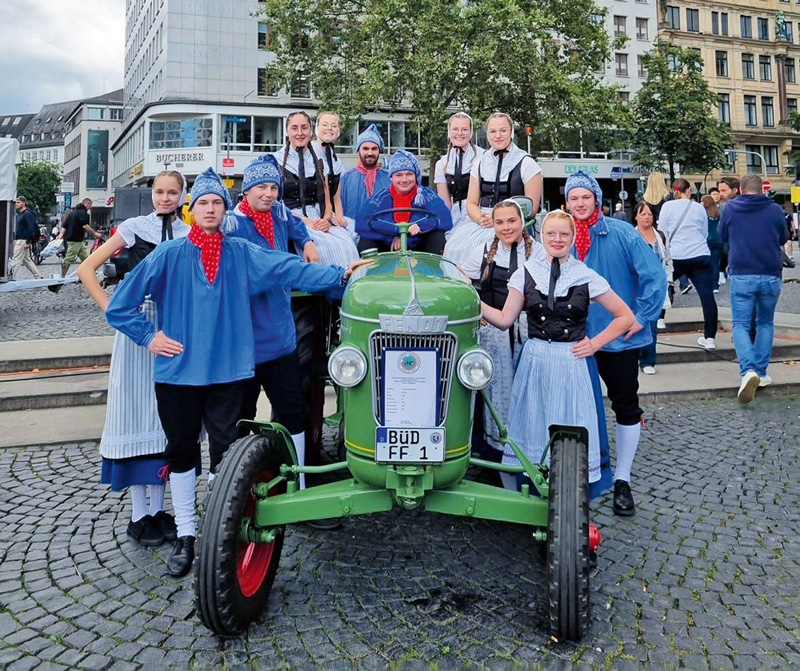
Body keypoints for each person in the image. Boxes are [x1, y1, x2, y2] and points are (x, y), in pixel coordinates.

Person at [105, 168, 368, 577]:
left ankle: (218, 528)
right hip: (178, 372)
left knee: (226, 453)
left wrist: (340, 275)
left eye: (217, 203)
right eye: (203, 203)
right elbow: (121, 304)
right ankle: (188, 534)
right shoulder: (168, 254)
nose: (210, 209)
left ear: (225, 209)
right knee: (180, 450)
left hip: (228, 372)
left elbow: (288, 268)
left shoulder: (241, 251)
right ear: (192, 211)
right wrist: (149, 337)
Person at [480, 210, 634, 499]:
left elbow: (624, 316)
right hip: (535, 361)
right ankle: (532, 497)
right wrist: (473, 299)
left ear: (573, 237)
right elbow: (504, 319)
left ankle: (568, 497)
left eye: (564, 234)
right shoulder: (525, 273)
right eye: (551, 233)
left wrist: (595, 343)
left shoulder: (585, 275)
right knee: (532, 426)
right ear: (542, 236)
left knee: (570, 427)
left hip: (571, 363)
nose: (557, 239)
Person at [77, 171, 189, 547]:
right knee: (136, 409)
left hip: (171, 330)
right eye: (159, 191)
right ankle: (138, 514)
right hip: (137, 327)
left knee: (166, 415)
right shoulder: (133, 228)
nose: (165, 198)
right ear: (151, 193)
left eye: (172, 192)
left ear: (181, 196)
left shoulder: (190, 233)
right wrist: (113, 309)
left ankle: (159, 510)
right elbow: (86, 269)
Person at [564, 170, 666, 516]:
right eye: (573, 198)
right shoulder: (560, 236)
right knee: (577, 410)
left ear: (596, 200)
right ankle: (582, 474)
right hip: (577, 340)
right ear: (566, 202)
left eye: (585, 197)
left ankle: (622, 479)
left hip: (619, 339)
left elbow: (655, 275)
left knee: (625, 406)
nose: (579, 203)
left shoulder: (622, 233)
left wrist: (642, 316)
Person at [223, 154, 320, 493]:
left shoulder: (278, 213)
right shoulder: (233, 224)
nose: (268, 193)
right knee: (239, 418)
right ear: (246, 190)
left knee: (294, 414)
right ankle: (237, 488)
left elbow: (296, 224)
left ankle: (300, 486)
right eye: (261, 187)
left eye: (273, 187)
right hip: (245, 343)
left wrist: (306, 242)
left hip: (280, 339)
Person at [460, 200, 540, 459]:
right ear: (492, 225)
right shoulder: (483, 251)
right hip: (493, 334)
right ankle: (495, 451)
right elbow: (459, 278)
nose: (506, 227)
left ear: (522, 222)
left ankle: (530, 447)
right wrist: (477, 308)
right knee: (494, 393)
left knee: (528, 392)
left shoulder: (537, 252)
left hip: (528, 332)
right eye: (500, 222)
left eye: (511, 221)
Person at [718, 173, 788, 403]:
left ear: (740, 189)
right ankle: (761, 372)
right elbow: (783, 237)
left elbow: (721, 237)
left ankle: (747, 370)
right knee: (766, 322)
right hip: (770, 273)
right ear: (762, 190)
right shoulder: (775, 210)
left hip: (742, 272)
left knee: (740, 324)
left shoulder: (730, 209)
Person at [445, 113, 542, 265]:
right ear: (487, 134)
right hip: (483, 221)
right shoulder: (480, 163)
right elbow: (471, 203)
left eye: (503, 130)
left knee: (487, 247)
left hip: (512, 223)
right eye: (492, 131)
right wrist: (480, 218)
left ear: (511, 132)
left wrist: (500, 219)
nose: (498, 135)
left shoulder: (527, 163)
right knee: (453, 247)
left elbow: (532, 209)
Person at [273, 111, 359, 266]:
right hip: (290, 217)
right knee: (323, 247)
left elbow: (327, 201)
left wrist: (326, 220)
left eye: (304, 128)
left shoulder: (319, 162)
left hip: (319, 217)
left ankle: (346, 286)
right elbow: (275, 203)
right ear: (287, 131)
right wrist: (307, 222)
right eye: (294, 128)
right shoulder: (275, 161)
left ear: (310, 130)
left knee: (346, 244)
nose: (300, 133)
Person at [658, 179, 718, 350]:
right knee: (707, 297)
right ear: (689, 190)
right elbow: (704, 232)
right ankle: (709, 338)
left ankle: (660, 318)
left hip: (676, 255)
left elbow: (662, 232)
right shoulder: (699, 207)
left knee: (664, 284)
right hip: (699, 255)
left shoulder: (667, 207)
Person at [356, 149, 452, 253]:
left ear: (416, 175)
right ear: (391, 177)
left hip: (420, 246)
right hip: (388, 246)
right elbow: (362, 222)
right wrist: (398, 231)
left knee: (437, 236)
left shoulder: (426, 195)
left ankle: (435, 267)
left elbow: (444, 218)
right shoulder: (381, 197)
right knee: (365, 241)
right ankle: (371, 268)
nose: (404, 179)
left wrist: (415, 229)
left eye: (409, 174)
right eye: (399, 175)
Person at [434, 113, 484, 247]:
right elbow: (445, 204)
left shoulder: (483, 157)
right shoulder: (442, 164)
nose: (459, 133)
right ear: (449, 132)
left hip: (480, 211)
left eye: (464, 129)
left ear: (471, 132)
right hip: (457, 215)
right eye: (455, 129)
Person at [633, 201, 672, 374]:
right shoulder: (630, 235)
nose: (647, 217)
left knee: (651, 325)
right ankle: (635, 356)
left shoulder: (661, 236)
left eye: (649, 214)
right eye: (643, 214)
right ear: (636, 216)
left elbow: (668, 259)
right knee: (634, 322)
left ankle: (648, 360)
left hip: (655, 288)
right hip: (635, 287)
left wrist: (669, 280)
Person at [340, 124, 391, 225]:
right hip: (351, 234)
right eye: (365, 148)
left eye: (374, 149)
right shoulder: (345, 178)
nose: (370, 153)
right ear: (358, 150)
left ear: (379, 151)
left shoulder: (389, 178)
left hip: (384, 235)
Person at [311, 111, 348, 228]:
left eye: (334, 126)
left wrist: (340, 218)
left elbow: (336, 198)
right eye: (325, 124)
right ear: (316, 128)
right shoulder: (308, 153)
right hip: (312, 212)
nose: (329, 128)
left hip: (330, 214)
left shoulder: (335, 160)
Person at [61, 198, 100, 276]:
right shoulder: (83, 214)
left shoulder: (72, 213)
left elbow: (64, 225)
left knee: (85, 258)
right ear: (87, 204)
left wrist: (61, 234)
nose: (90, 207)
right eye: (90, 205)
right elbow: (85, 226)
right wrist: (95, 233)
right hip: (75, 239)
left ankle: (89, 273)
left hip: (76, 240)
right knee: (69, 258)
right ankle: (62, 276)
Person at [10, 196, 43, 280]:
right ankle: (38, 276)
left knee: (16, 259)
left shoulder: (27, 214)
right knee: (27, 260)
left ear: (23, 203)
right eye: (16, 202)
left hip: (23, 240)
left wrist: (28, 242)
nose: (16, 204)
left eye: (18, 202)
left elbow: (31, 228)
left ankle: (11, 277)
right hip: (20, 239)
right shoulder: (20, 214)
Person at [702, 195, 723, 293]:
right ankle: (715, 285)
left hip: (708, 239)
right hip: (718, 239)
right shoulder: (717, 212)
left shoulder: (704, 213)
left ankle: (709, 283)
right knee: (715, 263)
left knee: (708, 263)